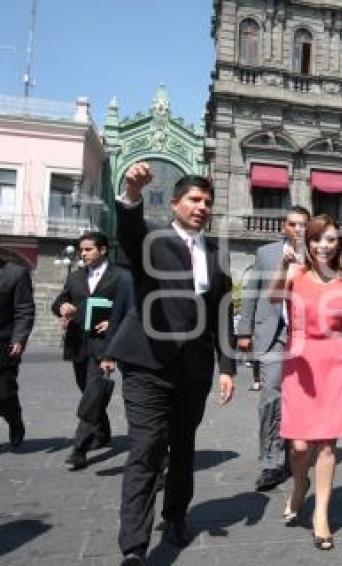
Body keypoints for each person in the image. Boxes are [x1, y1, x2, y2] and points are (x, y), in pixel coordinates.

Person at [109, 162, 236, 566]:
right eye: (195, 200)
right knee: (146, 449)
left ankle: (177, 515)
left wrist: (228, 367)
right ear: (176, 203)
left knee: (183, 447)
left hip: (194, 369)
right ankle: (134, 545)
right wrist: (131, 194)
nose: (202, 207)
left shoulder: (216, 255)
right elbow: (128, 231)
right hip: (148, 363)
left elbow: (220, 313)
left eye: (208, 202)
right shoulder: (152, 239)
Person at [268, 214, 342, 551]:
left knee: (326, 444)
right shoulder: (295, 273)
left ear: (339, 244)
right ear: (307, 242)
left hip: (336, 363)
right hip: (299, 362)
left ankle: (321, 516)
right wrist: (283, 267)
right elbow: (273, 298)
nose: (323, 245)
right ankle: (300, 485)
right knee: (298, 445)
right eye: (317, 239)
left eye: (330, 239)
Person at [236, 206, 310, 492]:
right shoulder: (266, 253)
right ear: (284, 226)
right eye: (293, 224)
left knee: (301, 397)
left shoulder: (317, 256)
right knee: (271, 397)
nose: (298, 230)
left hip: (306, 337)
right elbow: (252, 291)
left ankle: (297, 453)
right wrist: (244, 331)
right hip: (274, 334)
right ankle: (270, 461)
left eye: (303, 225)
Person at [51, 231, 133, 470]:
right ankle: (102, 432)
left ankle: (80, 449)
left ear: (103, 250)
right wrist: (62, 307)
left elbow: (131, 307)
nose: (83, 254)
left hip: (104, 344)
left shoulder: (121, 277)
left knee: (93, 393)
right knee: (87, 390)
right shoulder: (75, 277)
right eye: (81, 250)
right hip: (78, 343)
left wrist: (112, 323)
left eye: (88, 249)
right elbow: (60, 301)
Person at [0, 255, 34, 449]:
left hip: (4, 344)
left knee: (4, 393)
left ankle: (15, 421)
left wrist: (19, 339)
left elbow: (24, 309)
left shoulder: (16, 273)